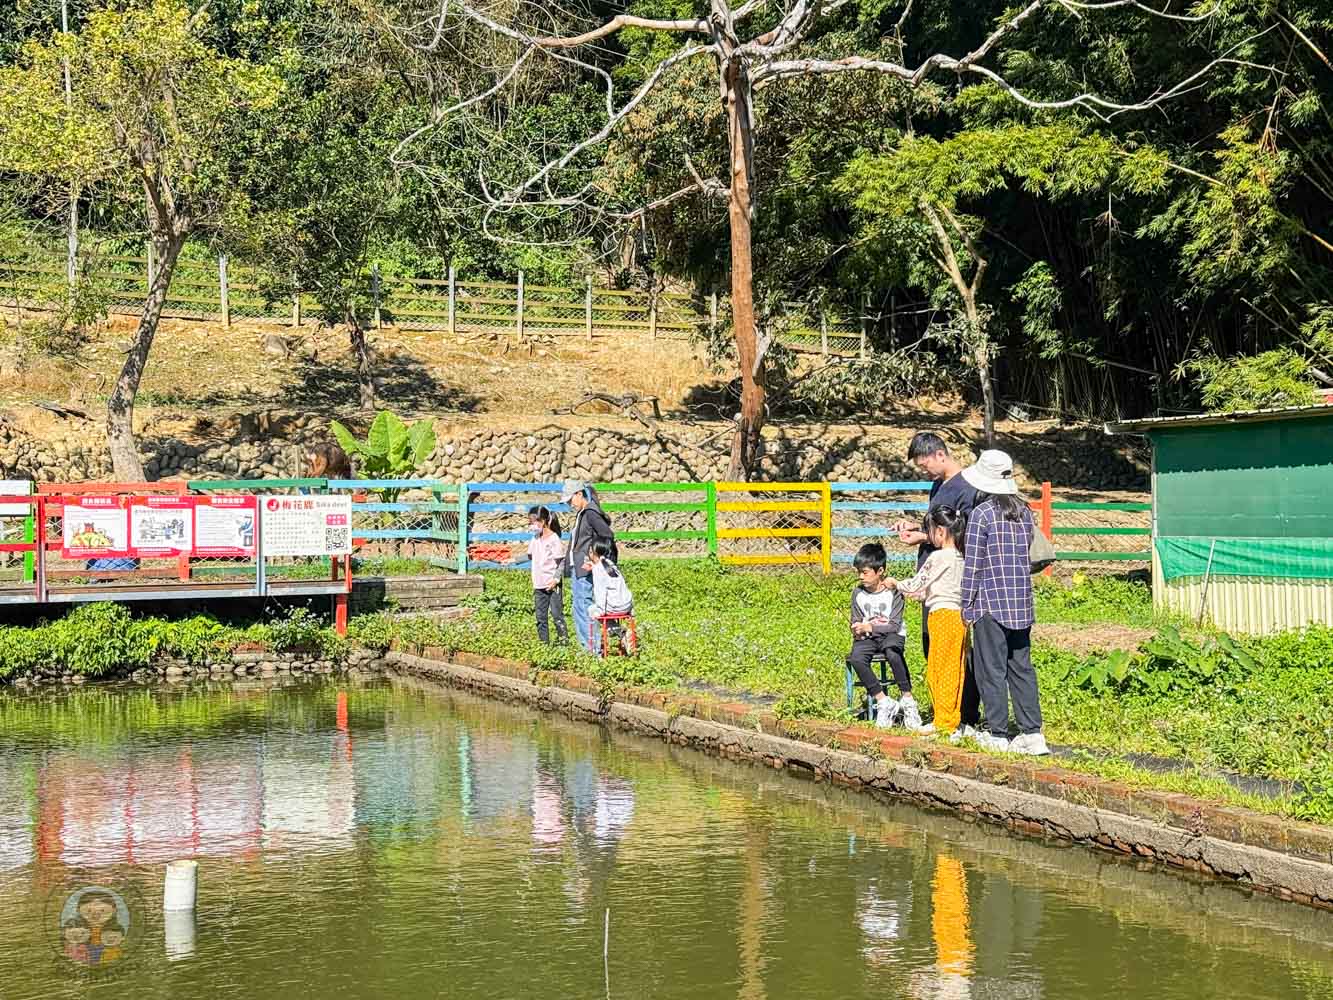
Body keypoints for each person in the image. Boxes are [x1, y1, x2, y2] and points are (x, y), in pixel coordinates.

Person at [959, 449, 1050, 756]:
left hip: (990, 603)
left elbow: (972, 565)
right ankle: (1032, 733)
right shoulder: (1024, 512)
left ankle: (998, 732)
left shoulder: (981, 515)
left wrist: (966, 606)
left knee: (990, 668)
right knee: (1021, 667)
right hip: (1021, 603)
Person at [895, 431, 981, 732]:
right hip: (932, 584)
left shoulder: (966, 488)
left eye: (924, 464)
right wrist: (917, 527)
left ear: (940, 455)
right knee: (932, 647)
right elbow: (938, 525)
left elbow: (962, 532)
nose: (923, 471)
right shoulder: (938, 485)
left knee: (955, 652)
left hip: (950, 583)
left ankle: (964, 714)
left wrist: (923, 537)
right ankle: (942, 710)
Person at [888, 506, 967, 738]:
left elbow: (917, 584)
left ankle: (944, 720)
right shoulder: (961, 557)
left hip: (942, 616)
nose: (929, 536)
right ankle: (950, 718)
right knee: (955, 668)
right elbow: (934, 589)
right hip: (958, 617)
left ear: (941, 532)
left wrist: (895, 583)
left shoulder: (938, 556)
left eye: (930, 531)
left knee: (938, 669)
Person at [847, 542, 921, 730]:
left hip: (891, 635)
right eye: (859, 572)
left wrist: (869, 626)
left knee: (893, 653)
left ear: (880, 571)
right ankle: (883, 700)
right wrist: (856, 628)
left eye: (865, 572)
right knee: (856, 658)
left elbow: (894, 625)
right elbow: (855, 618)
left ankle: (907, 699)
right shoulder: (858, 593)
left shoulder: (893, 592)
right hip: (867, 637)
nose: (860, 577)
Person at [560, 480, 615, 653]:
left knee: (585, 607)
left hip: (585, 568)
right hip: (578, 567)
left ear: (578, 494)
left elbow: (607, 535)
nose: (570, 504)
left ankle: (592, 650)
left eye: (570, 500)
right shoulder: (582, 513)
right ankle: (587, 646)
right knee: (579, 608)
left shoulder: (591, 513)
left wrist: (597, 560)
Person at [526, 505, 568, 644]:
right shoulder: (535, 538)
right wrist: (512, 560)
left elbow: (561, 562)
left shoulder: (554, 539)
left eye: (533, 522)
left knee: (557, 616)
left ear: (542, 521)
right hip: (538, 584)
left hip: (552, 584)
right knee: (540, 618)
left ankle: (564, 643)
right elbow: (530, 555)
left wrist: (556, 579)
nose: (531, 525)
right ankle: (544, 645)